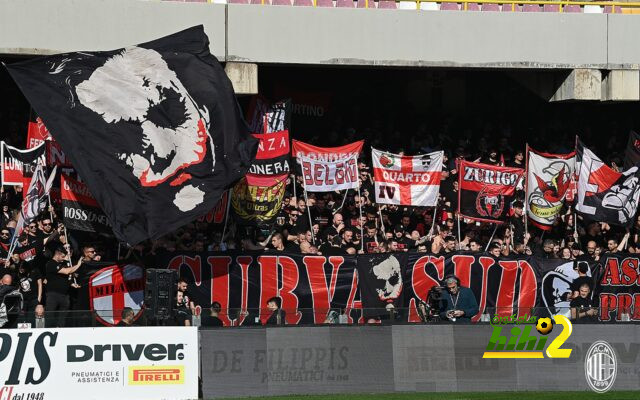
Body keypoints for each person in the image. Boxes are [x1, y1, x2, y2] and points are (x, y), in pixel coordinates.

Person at [45, 246, 82, 328]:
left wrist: (72, 284)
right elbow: (67, 271)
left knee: (63, 317)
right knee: (50, 315)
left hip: (65, 295)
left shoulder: (62, 264)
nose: (63, 259)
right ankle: (48, 330)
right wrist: (79, 264)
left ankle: (61, 330)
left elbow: (63, 279)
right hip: (53, 294)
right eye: (62, 256)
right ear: (57, 254)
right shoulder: (51, 263)